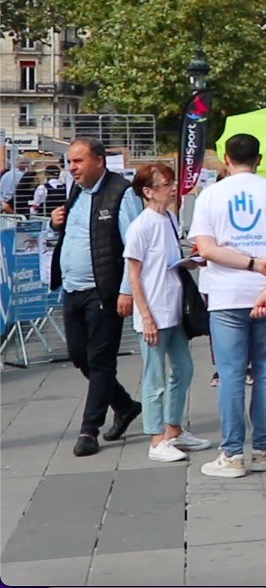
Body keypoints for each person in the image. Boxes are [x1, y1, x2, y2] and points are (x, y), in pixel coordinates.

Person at [189, 134, 266, 478]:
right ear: (259, 158)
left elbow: (205, 249)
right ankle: (264, 449)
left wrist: (250, 264)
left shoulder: (210, 196)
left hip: (226, 294)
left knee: (231, 375)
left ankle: (233, 453)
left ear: (225, 158)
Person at [50, 138, 144, 457]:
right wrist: (53, 224)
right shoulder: (76, 189)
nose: (72, 167)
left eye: (78, 161)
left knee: (101, 360)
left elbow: (134, 245)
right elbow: (72, 234)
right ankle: (125, 405)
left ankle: (89, 430)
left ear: (99, 161)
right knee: (80, 356)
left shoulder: (121, 192)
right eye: (70, 162)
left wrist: (126, 291)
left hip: (103, 291)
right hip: (73, 289)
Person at [122, 163, 211, 463]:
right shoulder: (141, 225)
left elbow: (167, 260)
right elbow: (134, 274)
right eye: (166, 184)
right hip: (154, 312)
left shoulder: (169, 219)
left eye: (172, 183)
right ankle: (155, 437)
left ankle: (173, 428)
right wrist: (145, 315)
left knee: (183, 369)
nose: (172, 188)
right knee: (154, 376)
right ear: (148, 191)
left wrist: (189, 260)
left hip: (173, 308)